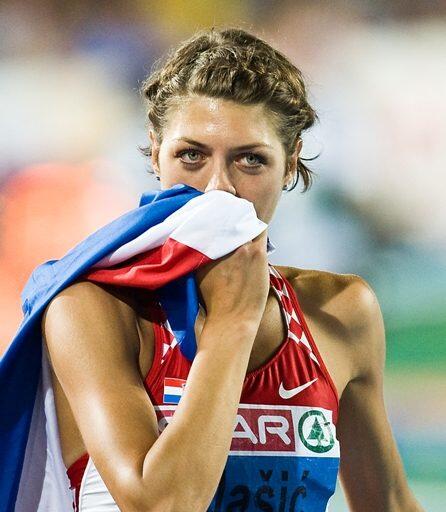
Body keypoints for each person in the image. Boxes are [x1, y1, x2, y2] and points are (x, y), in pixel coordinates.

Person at [42, 27, 424, 511]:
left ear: (290, 164)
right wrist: (233, 322)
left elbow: (388, 503)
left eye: (250, 160)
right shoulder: (92, 309)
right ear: (156, 153)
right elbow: (161, 505)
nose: (218, 188)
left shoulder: (340, 312)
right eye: (191, 155)